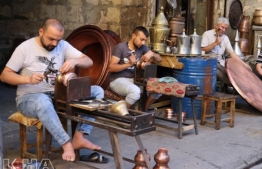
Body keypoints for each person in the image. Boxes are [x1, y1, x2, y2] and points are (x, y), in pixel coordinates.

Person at [0, 19, 104, 162]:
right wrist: (28, 79)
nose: (54, 44)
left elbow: (88, 61)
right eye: (51, 39)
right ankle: (67, 144)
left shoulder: (62, 45)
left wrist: (74, 61)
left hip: (57, 96)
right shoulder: (25, 48)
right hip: (29, 98)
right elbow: (4, 75)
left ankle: (79, 137)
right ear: (41, 31)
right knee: (42, 101)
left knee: (97, 91)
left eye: (58, 39)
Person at [108, 26, 162, 110]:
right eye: (141, 39)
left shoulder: (142, 47)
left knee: (159, 88)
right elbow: (111, 68)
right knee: (135, 92)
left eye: (145, 40)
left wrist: (151, 54)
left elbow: (159, 59)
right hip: (117, 80)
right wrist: (129, 64)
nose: (143, 43)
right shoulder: (120, 48)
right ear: (134, 36)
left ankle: (143, 110)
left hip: (135, 79)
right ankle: (121, 114)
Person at [201, 17, 251, 88]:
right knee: (218, 71)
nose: (224, 30)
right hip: (208, 62)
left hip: (220, 63)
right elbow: (202, 50)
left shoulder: (225, 38)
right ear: (216, 26)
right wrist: (215, 43)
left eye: (225, 28)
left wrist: (243, 64)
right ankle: (234, 86)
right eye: (222, 27)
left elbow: (232, 53)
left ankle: (239, 86)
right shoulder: (207, 34)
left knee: (230, 71)